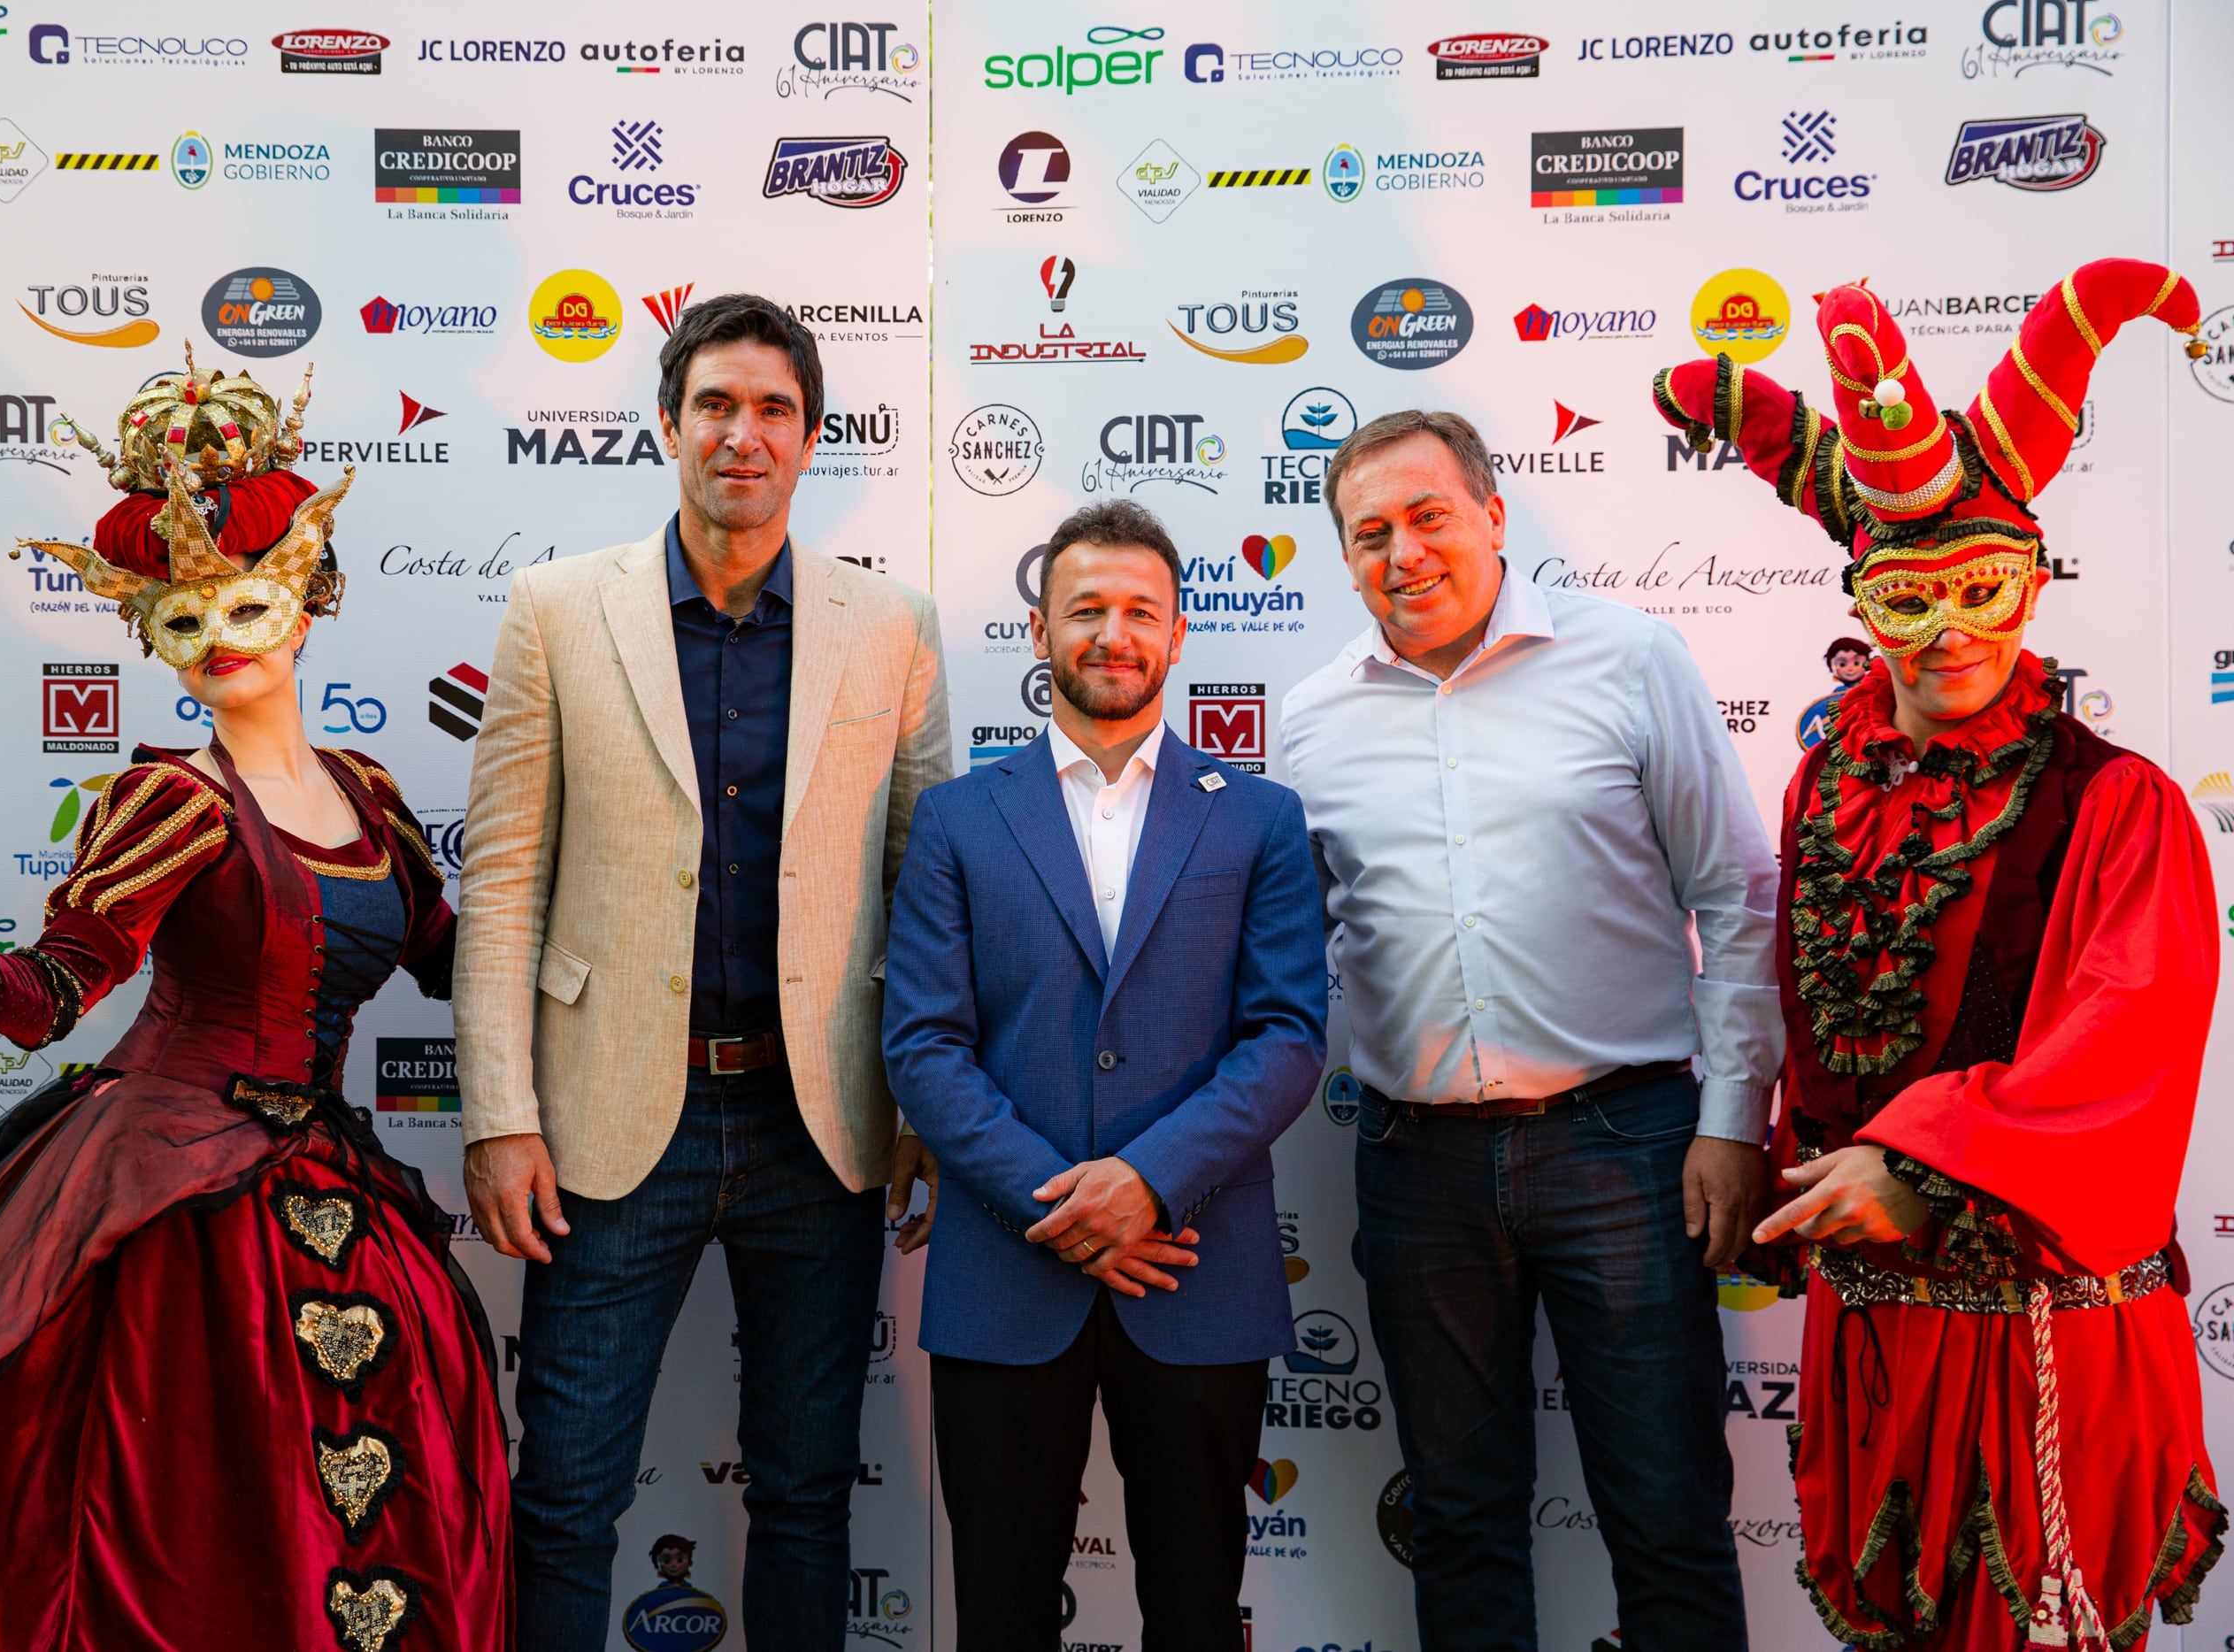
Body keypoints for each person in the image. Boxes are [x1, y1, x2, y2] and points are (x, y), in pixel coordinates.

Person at [0, 354, 508, 1651]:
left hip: (337, 1177)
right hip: (168, 1195)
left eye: (250, 605)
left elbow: (468, 968)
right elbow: (48, 999)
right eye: (182, 620)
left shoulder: (376, 797)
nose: (221, 641)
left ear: (310, 602)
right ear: (148, 631)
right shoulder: (174, 796)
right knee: (163, 1522)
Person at [1656, 258, 2224, 1648]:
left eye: (1984, 585)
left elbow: (2126, 1042)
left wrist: (1924, 1163)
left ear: (2032, 583)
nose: (1954, 630)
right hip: (1875, 1323)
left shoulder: (2119, 800)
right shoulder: (1824, 783)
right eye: (1915, 594)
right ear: (1865, 595)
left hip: (2036, 1319)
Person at [453, 292, 951, 1649]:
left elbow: (925, 884)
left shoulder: (893, 626)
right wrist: (499, 1112)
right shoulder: (556, 609)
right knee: (564, 1496)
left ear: (812, 437)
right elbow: (500, 875)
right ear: (668, 424)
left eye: (774, 409)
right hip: (610, 1123)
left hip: (821, 1125)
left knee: (804, 1497)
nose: (745, 433)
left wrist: (917, 1103)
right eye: (716, 405)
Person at [1278, 409, 1781, 1652]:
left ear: (1496, 514)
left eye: (1429, 515)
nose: (1403, 552)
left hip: (1628, 1143)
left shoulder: (1630, 657)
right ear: (1344, 557)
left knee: (1665, 1511)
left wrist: (1732, 1119)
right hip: (1416, 1164)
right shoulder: (1311, 718)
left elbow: (1735, 892)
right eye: (1370, 532)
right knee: (1458, 1519)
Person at [883, 499, 1325, 1651]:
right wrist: (1068, 1203)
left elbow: (1285, 1037)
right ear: (1039, 629)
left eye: (1141, 611)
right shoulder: (956, 818)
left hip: (1196, 1269)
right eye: (1087, 609)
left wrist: (1146, 1179)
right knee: (1002, 1609)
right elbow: (923, 1042)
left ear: (1179, 634)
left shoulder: (1262, 820)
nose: (1113, 633)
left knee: (1194, 1608)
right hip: (1006, 1274)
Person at [1798, 635, 1876, 749]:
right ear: (1831, 666)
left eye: (1856, 663)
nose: (1850, 668)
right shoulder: (1834, 699)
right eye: (1842, 664)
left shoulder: (1875, 688)